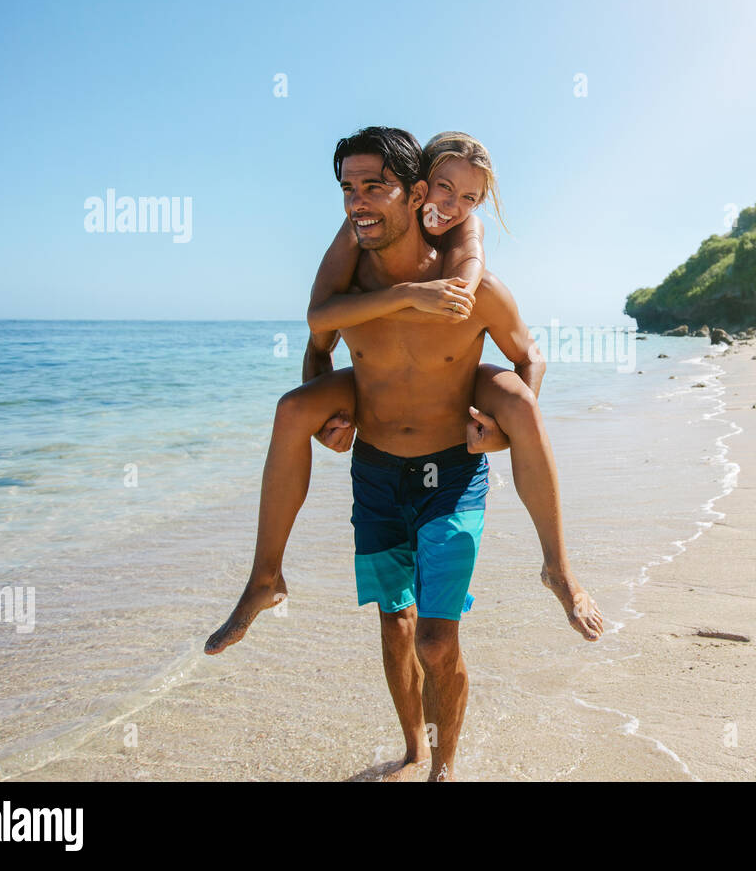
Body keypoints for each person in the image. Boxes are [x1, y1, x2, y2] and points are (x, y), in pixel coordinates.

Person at [209, 127, 600, 780]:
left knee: (435, 637)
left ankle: (450, 756)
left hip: (450, 473)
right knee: (394, 624)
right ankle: (269, 582)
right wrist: (325, 420)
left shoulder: (472, 283)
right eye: (348, 189)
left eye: (373, 187)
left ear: (410, 193)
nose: (358, 201)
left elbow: (528, 351)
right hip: (377, 473)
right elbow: (319, 332)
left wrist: (498, 432)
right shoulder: (353, 267)